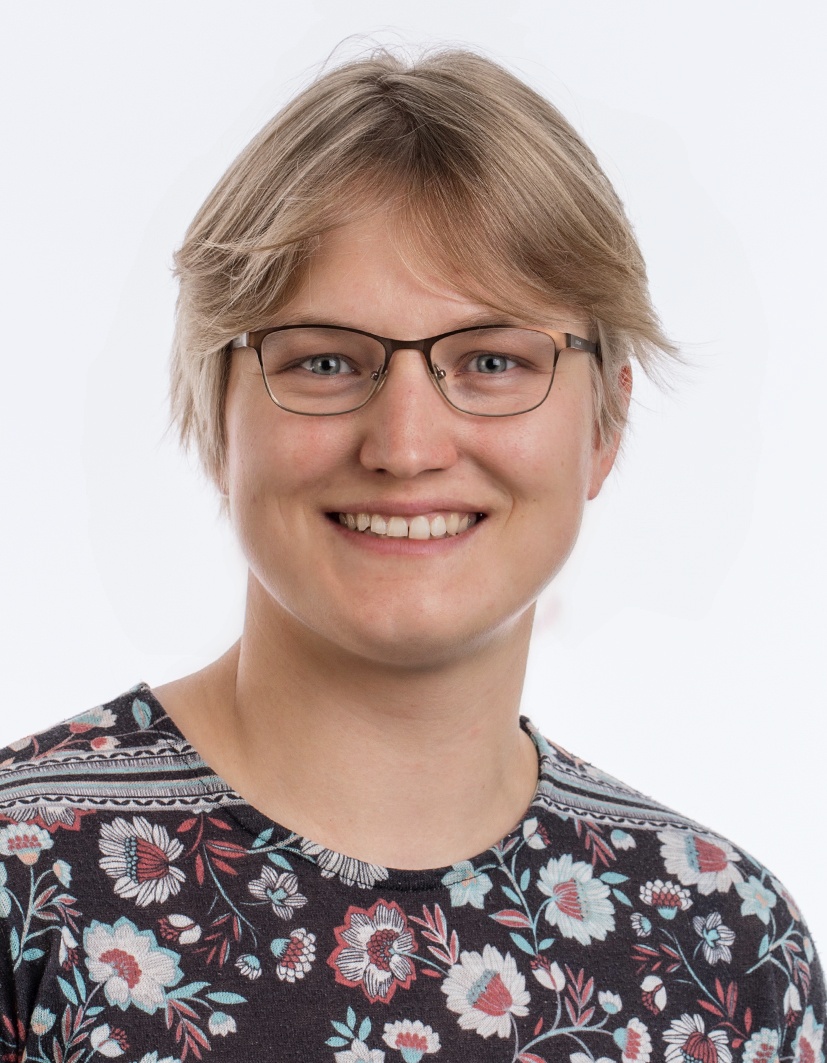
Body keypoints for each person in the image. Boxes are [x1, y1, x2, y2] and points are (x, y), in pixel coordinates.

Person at [0, 47, 822, 1063]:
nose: (405, 445)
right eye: (325, 360)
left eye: (491, 360)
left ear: (605, 424)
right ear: (217, 411)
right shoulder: (26, 881)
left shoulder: (724, 948)